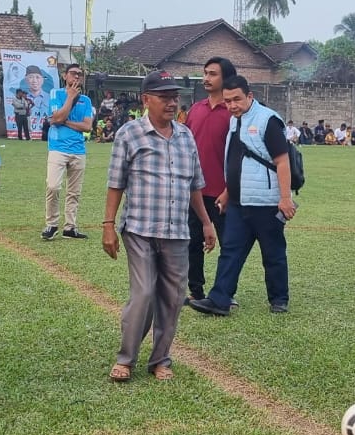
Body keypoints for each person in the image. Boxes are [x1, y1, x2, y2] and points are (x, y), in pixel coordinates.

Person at [102, 70, 216, 382]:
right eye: (164, 97)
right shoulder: (129, 134)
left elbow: (195, 185)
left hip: (177, 232)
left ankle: (160, 360)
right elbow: (116, 184)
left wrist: (206, 223)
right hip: (139, 229)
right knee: (143, 294)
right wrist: (108, 225)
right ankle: (126, 359)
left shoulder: (185, 136)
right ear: (146, 100)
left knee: (173, 298)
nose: (171, 102)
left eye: (174, 96)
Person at [189, 75, 296, 316]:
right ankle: (219, 300)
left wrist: (285, 198)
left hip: (266, 202)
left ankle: (279, 299)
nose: (232, 105)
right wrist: (227, 193)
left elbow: (282, 161)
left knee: (273, 253)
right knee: (230, 252)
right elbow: (238, 159)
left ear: (250, 96)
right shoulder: (235, 121)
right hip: (239, 202)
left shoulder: (268, 120)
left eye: (237, 99)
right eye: (228, 101)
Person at [185, 57, 236, 302]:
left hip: (224, 193)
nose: (206, 78)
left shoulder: (234, 113)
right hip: (194, 190)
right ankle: (195, 291)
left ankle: (224, 292)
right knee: (192, 243)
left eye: (212, 74)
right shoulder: (196, 109)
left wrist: (231, 189)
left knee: (229, 245)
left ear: (225, 78)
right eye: (205, 73)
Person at [41, 63, 94, 240]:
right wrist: (70, 98)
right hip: (58, 147)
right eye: (73, 73)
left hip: (78, 150)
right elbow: (55, 118)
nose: (77, 77)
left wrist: (64, 121)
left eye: (80, 74)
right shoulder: (57, 94)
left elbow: (87, 126)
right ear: (65, 76)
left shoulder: (86, 100)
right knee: (53, 186)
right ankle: (52, 224)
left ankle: (70, 227)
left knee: (74, 192)